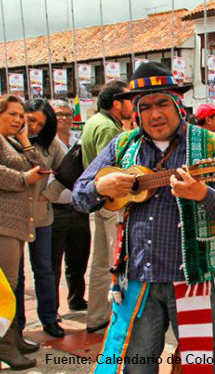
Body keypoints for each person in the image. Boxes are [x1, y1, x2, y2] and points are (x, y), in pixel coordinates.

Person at [72, 62, 215, 373]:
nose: (155, 114)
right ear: (136, 112)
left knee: (200, 368)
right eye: (146, 106)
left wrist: (203, 194)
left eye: (163, 102)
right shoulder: (123, 145)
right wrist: (102, 185)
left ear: (178, 104)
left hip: (193, 278)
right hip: (138, 279)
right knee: (135, 367)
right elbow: (79, 196)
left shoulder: (210, 145)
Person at [79, 80, 133, 334]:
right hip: (111, 203)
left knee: (100, 262)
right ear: (116, 103)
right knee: (116, 261)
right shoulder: (109, 129)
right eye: (128, 99)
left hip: (102, 204)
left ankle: (96, 316)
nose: (132, 105)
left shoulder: (94, 123)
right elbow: (111, 168)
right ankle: (118, 316)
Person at [14, 99, 67, 339]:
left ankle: (49, 317)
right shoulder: (7, 139)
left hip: (41, 214)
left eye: (40, 124)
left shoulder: (51, 144)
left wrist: (49, 195)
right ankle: (16, 324)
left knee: (44, 269)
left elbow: (68, 171)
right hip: (11, 215)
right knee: (14, 272)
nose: (33, 126)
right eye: (30, 119)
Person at [0, 94, 45, 370]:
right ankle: (5, 346)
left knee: (14, 284)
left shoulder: (13, 141)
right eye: (12, 114)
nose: (18, 120)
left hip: (17, 224)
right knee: (6, 288)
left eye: (21, 115)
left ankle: (14, 337)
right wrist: (24, 179)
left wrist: (26, 140)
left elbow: (37, 162)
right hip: (3, 223)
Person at [49, 101, 91, 313]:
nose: (63, 118)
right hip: (54, 208)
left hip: (77, 208)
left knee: (79, 257)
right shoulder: (46, 143)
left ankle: (76, 298)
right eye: (58, 114)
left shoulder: (78, 141)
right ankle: (51, 307)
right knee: (52, 262)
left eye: (67, 114)